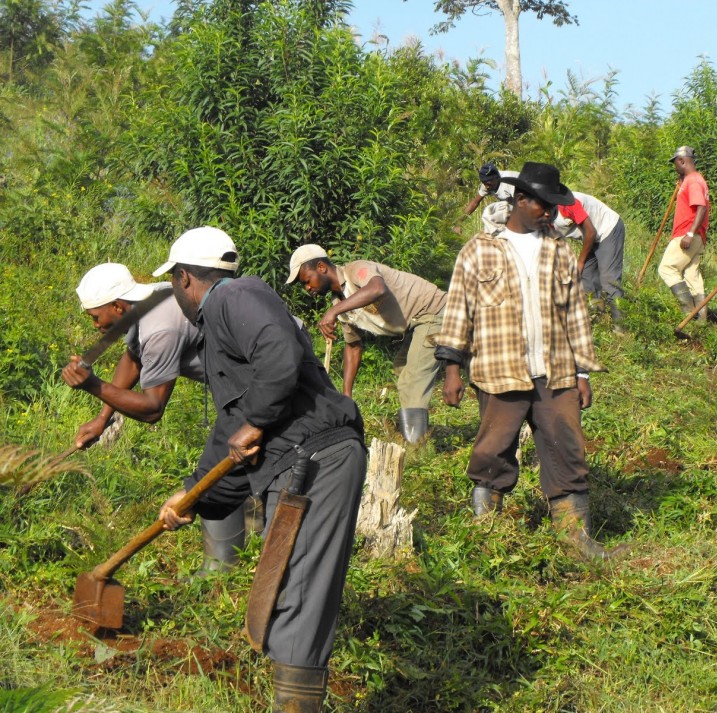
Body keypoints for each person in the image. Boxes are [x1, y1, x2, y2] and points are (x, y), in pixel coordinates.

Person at [154, 226, 366, 712]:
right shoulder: (223, 325)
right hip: (295, 465)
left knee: (297, 596)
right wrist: (191, 497)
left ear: (185, 278)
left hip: (316, 462)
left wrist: (254, 421)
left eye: (172, 283)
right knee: (282, 594)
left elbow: (280, 354)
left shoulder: (236, 295)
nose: (174, 293)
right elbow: (232, 435)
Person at [436, 162, 628, 561]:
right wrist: (451, 368)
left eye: (556, 206)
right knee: (493, 451)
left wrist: (581, 371)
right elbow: (457, 310)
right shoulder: (479, 249)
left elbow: (575, 311)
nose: (552, 213)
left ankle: (576, 541)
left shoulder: (558, 249)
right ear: (521, 200)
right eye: (545, 205)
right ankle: (487, 537)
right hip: (499, 369)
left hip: (556, 372)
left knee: (568, 451)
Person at [62, 262, 250, 575]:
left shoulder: (159, 328)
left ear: (118, 306)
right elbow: (133, 359)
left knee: (216, 472)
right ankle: (227, 567)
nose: (95, 326)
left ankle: (222, 573)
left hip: (256, 388)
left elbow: (152, 409)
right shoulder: (151, 301)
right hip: (239, 389)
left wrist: (93, 385)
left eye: (96, 318)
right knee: (225, 466)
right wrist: (102, 419)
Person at [286, 245, 447, 444]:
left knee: (411, 380)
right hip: (417, 323)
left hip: (435, 311)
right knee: (402, 368)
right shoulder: (341, 305)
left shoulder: (356, 270)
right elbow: (353, 346)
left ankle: (416, 447)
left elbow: (377, 288)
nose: (307, 288)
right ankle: (416, 433)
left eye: (306, 281)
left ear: (321, 267)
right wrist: (346, 395)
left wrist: (332, 313)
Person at [658, 146, 717, 324]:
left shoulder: (693, 181)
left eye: (675, 163)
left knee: (667, 268)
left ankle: (688, 313)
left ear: (682, 161)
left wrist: (689, 234)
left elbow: (701, 207)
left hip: (687, 234)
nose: (675, 167)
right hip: (698, 236)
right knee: (692, 276)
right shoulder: (693, 180)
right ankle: (701, 320)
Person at [553, 191, 627, 330]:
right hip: (588, 237)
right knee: (587, 281)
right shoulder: (539, 214)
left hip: (607, 229)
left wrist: (580, 262)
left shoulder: (567, 203)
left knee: (609, 281)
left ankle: (621, 329)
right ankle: (599, 320)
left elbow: (591, 232)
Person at [463, 162, 519, 235]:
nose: (486, 187)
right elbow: (475, 202)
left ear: (496, 178)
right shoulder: (487, 184)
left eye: (488, 184)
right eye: (484, 183)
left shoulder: (509, 181)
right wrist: (459, 222)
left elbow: (520, 205)